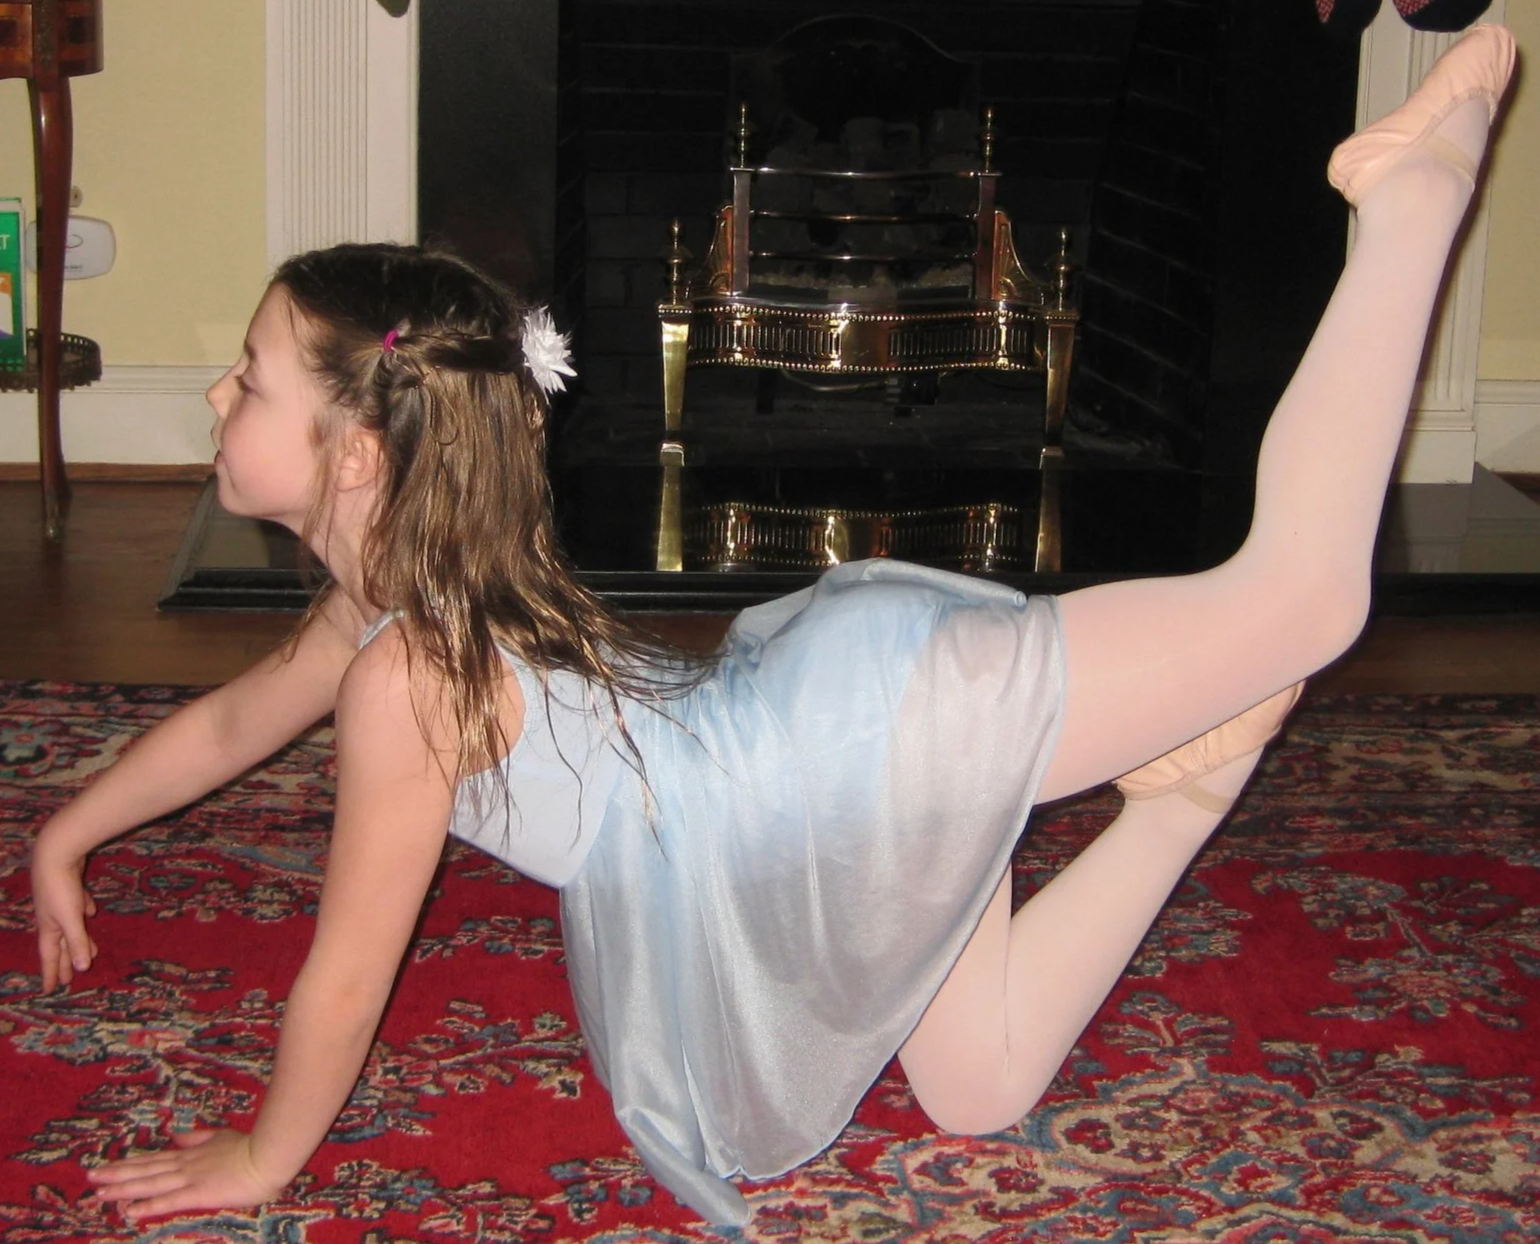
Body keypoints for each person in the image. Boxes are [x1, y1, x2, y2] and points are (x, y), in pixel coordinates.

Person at [29, 25, 1517, 1228]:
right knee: (982, 1089)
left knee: (1307, 597)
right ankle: (1181, 793)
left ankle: (1409, 202)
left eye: (248, 377)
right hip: (809, 802)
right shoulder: (385, 611)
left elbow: (348, 977)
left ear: (357, 457)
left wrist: (262, 1160)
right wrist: (68, 834)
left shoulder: (407, 677)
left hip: (863, 739)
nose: (217, 393)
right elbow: (230, 721)